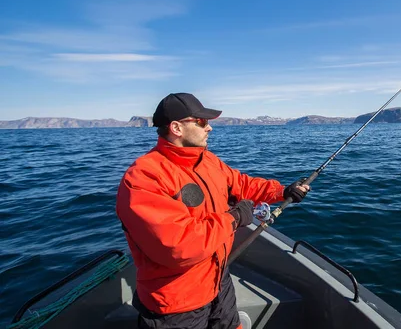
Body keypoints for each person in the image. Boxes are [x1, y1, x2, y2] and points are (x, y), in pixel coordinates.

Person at [116, 93, 310, 329]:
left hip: (218, 279)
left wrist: (282, 191)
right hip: (176, 304)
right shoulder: (144, 178)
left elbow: (242, 184)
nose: (209, 128)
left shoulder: (207, 161)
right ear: (176, 127)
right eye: (201, 122)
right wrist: (235, 218)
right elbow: (179, 246)